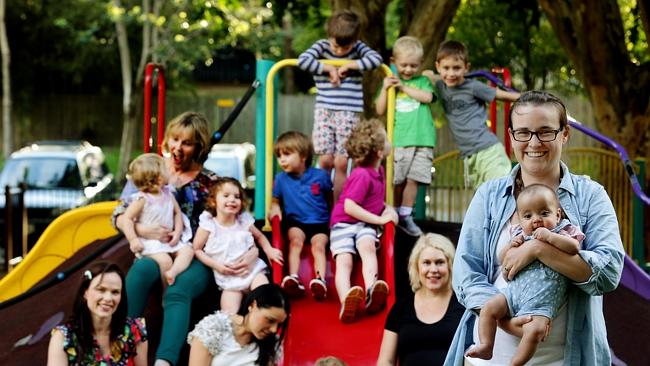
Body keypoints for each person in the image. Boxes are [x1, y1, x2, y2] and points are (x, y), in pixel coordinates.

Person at [445, 91, 625, 365]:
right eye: (524, 133)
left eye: (545, 132)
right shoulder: (489, 196)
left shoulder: (590, 196)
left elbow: (609, 272)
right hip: (496, 357)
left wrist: (538, 249)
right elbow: (466, 275)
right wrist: (505, 320)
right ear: (511, 136)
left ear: (564, 134)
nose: (534, 143)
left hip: (568, 357)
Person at [113, 111, 258, 366]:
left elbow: (239, 221)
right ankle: (123, 344)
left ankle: (164, 361)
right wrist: (145, 232)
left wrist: (252, 251)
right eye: (175, 139)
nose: (178, 147)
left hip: (195, 252)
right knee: (140, 272)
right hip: (153, 247)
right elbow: (118, 215)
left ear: (199, 147)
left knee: (178, 288)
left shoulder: (210, 183)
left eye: (187, 143)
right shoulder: (149, 170)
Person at [467, 183, 585, 365]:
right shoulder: (520, 234)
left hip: (542, 301)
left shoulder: (564, 230)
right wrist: (510, 246)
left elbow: (574, 248)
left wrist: (549, 237)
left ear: (558, 214)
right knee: (489, 308)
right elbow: (502, 259)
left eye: (544, 213)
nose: (536, 220)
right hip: (512, 294)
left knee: (535, 330)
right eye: (528, 216)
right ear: (520, 220)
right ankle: (486, 345)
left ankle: (516, 363)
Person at [297, 10, 383, 201]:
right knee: (326, 160)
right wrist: (327, 68)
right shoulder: (321, 47)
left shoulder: (358, 49)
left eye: (345, 48)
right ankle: (320, 202)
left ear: (354, 41)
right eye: (336, 46)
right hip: (324, 111)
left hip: (348, 112)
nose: (339, 52)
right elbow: (303, 60)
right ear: (330, 36)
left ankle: (338, 205)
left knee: (342, 162)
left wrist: (350, 65)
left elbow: (376, 60)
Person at [423, 40, 520, 189]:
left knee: (501, 191)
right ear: (438, 67)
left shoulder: (473, 87)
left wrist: (531, 97)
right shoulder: (441, 86)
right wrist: (433, 75)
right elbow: (427, 74)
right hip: (469, 156)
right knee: (483, 200)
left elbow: (504, 95)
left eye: (457, 68)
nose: (451, 73)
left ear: (466, 68)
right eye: (446, 68)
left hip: (488, 152)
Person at [329, 118, 398, 323]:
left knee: (368, 247)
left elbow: (374, 199)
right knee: (345, 261)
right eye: (386, 138)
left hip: (364, 224)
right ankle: (346, 300)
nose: (389, 141)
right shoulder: (362, 175)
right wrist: (379, 219)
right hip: (343, 222)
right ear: (378, 152)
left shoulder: (380, 171)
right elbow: (350, 206)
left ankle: (371, 290)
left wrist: (388, 209)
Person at [193, 177, 284, 314]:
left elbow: (259, 236)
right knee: (228, 314)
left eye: (237, 197)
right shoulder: (209, 224)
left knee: (264, 296)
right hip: (229, 281)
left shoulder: (243, 221)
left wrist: (269, 249)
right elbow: (197, 249)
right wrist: (217, 266)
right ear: (213, 201)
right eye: (226, 195)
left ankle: (260, 321)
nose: (232, 200)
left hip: (254, 272)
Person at [376, 36, 436, 237]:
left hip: (423, 140)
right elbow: (379, 109)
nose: (409, 69)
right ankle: (391, 212)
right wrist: (386, 89)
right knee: (397, 180)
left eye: (413, 65)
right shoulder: (390, 83)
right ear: (393, 62)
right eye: (404, 65)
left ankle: (405, 214)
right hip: (399, 141)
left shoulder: (423, 82)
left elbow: (427, 98)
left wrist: (403, 87)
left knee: (414, 179)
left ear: (420, 64)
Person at [377, 233, 464, 365]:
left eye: (440, 262)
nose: (433, 269)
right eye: (426, 263)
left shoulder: (463, 308)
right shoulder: (401, 308)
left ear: (450, 266)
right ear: (417, 267)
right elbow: (386, 360)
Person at [269, 131, 332, 300]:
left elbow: (329, 198)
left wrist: (332, 221)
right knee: (295, 241)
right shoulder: (281, 179)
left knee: (318, 246)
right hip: (296, 222)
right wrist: (274, 208)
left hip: (319, 222)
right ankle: (294, 278)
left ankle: (320, 281)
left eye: (287, 154)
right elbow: (275, 199)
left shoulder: (320, 176)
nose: (282, 159)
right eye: (279, 155)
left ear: (303, 156)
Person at [47, 261, 148, 366]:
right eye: (101, 290)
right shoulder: (63, 338)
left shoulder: (134, 331)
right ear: (85, 292)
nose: (108, 298)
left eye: (115, 292)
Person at [121, 153, 194, 286]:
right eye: (165, 170)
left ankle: (173, 272)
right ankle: (165, 293)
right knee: (165, 261)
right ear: (159, 178)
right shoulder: (142, 199)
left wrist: (177, 233)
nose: (169, 172)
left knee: (188, 251)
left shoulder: (168, 193)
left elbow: (177, 213)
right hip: (150, 242)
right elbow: (127, 218)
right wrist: (133, 239)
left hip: (169, 239)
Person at [187, 283, 289, 366]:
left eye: (279, 324)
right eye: (270, 320)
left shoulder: (272, 344)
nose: (274, 329)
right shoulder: (214, 328)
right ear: (252, 305)